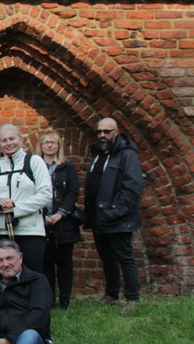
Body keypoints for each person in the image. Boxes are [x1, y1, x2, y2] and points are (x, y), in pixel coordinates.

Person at [84, 117, 144, 310]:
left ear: (116, 132)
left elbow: (133, 186)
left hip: (117, 217)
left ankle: (133, 299)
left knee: (125, 258)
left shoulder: (126, 154)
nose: (102, 135)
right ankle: (111, 294)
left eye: (106, 131)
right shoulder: (99, 154)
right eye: (99, 131)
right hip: (99, 217)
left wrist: (116, 211)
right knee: (107, 257)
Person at [0, 124, 52, 272]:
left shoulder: (34, 162)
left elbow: (45, 195)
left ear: (21, 140)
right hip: (1, 231)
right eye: (4, 140)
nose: (8, 143)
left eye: (12, 139)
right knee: (3, 275)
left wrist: (15, 209)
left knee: (31, 274)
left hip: (30, 231)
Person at [37, 130, 81, 310]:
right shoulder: (35, 165)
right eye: (46, 142)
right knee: (46, 263)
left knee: (64, 262)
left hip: (63, 221)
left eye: (53, 142)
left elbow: (73, 192)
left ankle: (64, 299)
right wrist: (43, 216)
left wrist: (60, 214)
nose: (49, 145)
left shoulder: (67, 166)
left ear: (58, 146)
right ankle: (49, 299)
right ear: (41, 146)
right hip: (41, 220)